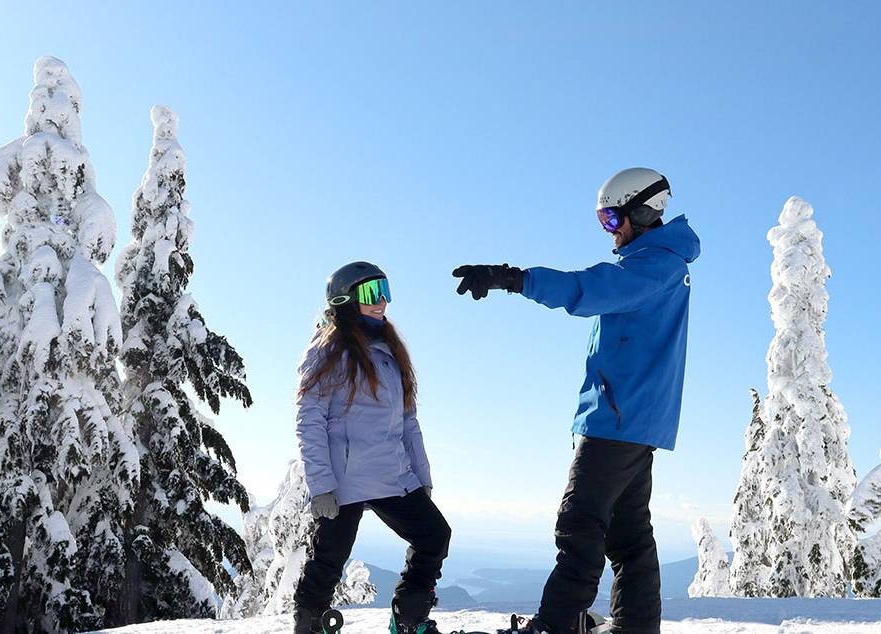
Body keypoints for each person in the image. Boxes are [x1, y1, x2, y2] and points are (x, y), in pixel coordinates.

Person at [452, 168, 700, 634]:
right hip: (633, 421)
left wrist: (514, 279)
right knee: (629, 537)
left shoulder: (652, 267)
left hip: (615, 421)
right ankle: (634, 627)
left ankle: (555, 625)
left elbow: (585, 290)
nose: (610, 231)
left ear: (642, 213)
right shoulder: (660, 265)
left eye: (612, 219)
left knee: (579, 525)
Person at [292, 261, 452, 634]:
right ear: (345, 301)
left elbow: (408, 422)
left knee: (434, 535)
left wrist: (421, 478)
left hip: (390, 473)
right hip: (344, 480)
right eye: (371, 293)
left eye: (385, 291)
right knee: (329, 559)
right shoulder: (328, 350)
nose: (381, 301)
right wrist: (322, 486)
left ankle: (410, 619)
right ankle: (309, 626)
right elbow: (309, 420)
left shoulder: (390, 352)